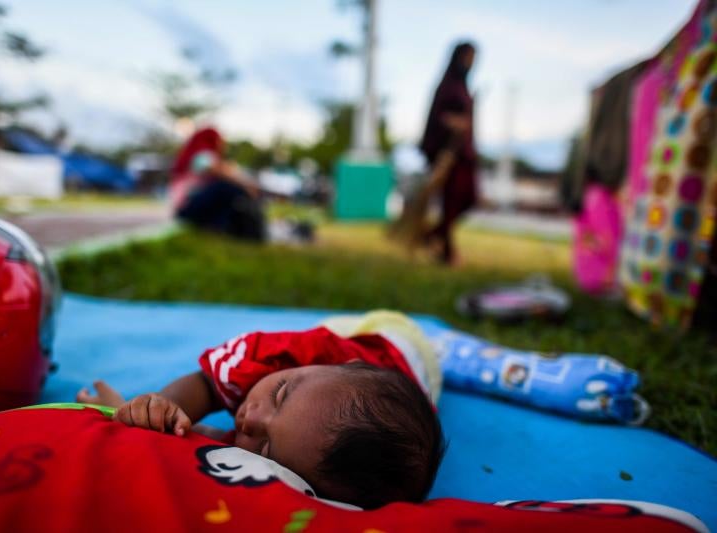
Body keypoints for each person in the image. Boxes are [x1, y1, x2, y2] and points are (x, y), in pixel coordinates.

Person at [76, 311, 445, 510]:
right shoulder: (284, 358)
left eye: (266, 448)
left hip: (412, 381)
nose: (251, 417)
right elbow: (205, 384)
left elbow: (209, 447)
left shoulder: (307, 446)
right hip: (386, 335)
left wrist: (195, 436)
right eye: (281, 394)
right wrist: (159, 407)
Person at [418, 42, 478, 264]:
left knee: (467, 199)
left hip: (464, 153)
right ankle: (447, 251)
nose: (470, 63)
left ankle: (433, 235)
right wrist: (453, 123)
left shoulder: (464, 87)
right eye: (467, 57)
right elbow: (439, 115)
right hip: (448, 154)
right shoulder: (447, 86)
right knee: (451, 202)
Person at [170, 127, 265, 241]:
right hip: (187, 208)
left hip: (191, 206)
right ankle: (247, 234)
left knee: (228, 189)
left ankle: (225, 229)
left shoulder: (199, 155)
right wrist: (247, 186)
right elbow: (219, 171)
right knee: (225, 187)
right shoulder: (201, 156)